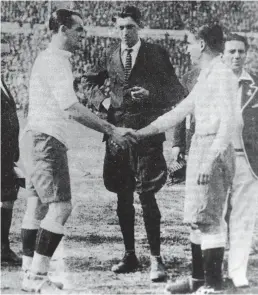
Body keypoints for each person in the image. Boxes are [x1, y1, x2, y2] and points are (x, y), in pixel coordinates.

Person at [20, 9, 136, 293]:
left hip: (36, 137)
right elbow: (70, 108)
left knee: (36, 205)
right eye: (79, 29)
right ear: (62, 29)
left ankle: (28, 273)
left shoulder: (50, 58)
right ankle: (36, 278)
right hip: (47, 140)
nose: (83, 35)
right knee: (61, 207)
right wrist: (111, 129)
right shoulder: (55, 61)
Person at [129, 24, 238, 294]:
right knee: (195, 217)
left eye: (189, 42)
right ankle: (198, 280)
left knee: (209, 218)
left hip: (213, 146)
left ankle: (213, 286)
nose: (186, 49)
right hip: (201, 145)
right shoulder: (207, 75)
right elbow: (181, 110)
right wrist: (142, 132)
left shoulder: (222, 75)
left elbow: (230, 122)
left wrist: (210, 159)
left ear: (201, 44)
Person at [85, 5, 185, 282]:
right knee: (123, 195)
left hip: (147, 135)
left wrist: (151, 94)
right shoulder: (109, 54)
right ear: (115, 28)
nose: (125, 32)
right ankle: (129, 254)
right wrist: (102, 102)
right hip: (118, 136)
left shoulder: (156, 54)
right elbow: (87, 82)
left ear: (139, 26)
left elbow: (177, 91)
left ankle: (156, 259)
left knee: (148, 194)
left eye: (130, 26)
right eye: (120, 27)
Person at [222, 33, 258, 288]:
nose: (236, 56)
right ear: (223, 54)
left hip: (247, 159)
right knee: (215, 216)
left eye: (240, 52)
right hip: (218, 157)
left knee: (243, 217)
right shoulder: (212, 82)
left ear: (247, 54)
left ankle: (237, 270)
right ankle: (214, 268)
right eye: (231, 51)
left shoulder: (255, 85)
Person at [1, 39, 24, 266]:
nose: (3, 60)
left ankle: (3, 247)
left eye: (6, 55)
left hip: (6, 155)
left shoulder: (2, 82)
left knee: (7, 198)